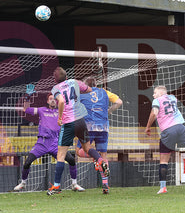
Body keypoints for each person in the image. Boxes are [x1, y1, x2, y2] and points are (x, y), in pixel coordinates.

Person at [49, 67, 110, 195]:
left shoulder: (55, 89)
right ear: (66, 77)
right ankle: (99, 161)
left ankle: (56, 186)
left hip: (68, 122)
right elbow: (88, 89)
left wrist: (60, 117)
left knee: (61, 154)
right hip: (81, 120)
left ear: (55, 80)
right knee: (87, 148)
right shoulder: (74, 82)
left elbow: (60, 101)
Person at [14, 93, 85, 192]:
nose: (53, 101)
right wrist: (27, 97)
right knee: (27, 162)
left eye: (54, 99)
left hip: (55, 143)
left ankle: (74, 184)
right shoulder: (42, 110)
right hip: (42, 143)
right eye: (50, 99)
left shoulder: (61, 112)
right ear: (47, 101)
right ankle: (23, 183)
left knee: (71, 160)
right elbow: (26, 109)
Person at [75, 76, 123, 192]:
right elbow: (119, 102)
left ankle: (96, 157)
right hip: (103, 126)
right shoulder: (104, 92)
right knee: (104, 154)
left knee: (79, 151)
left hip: (88, 126)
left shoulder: (81, 94)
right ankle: (105, 184)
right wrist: (109, 111)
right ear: (96, 85)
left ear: (85, 86)